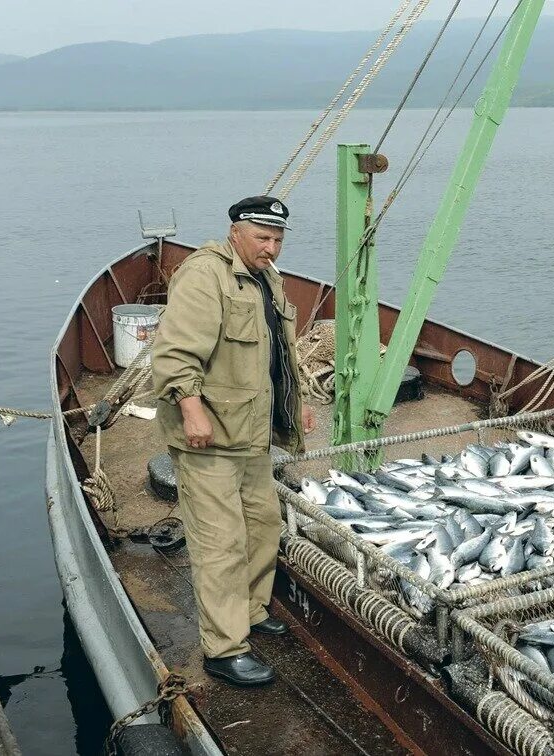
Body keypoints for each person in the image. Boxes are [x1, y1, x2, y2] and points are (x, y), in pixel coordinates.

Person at [152, 196, 316, 686]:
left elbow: (279, 354)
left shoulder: (267, 276)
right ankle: (223, 648)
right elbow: (175, 351)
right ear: (236, 232)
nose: (271, 249)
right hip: (210, 439)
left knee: (263, 526)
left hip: (251, 435)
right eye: (263, 238)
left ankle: (250, 609)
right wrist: (191, 408)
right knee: (220, 542)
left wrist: (296, 401)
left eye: (278, 240)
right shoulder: (206, 275)